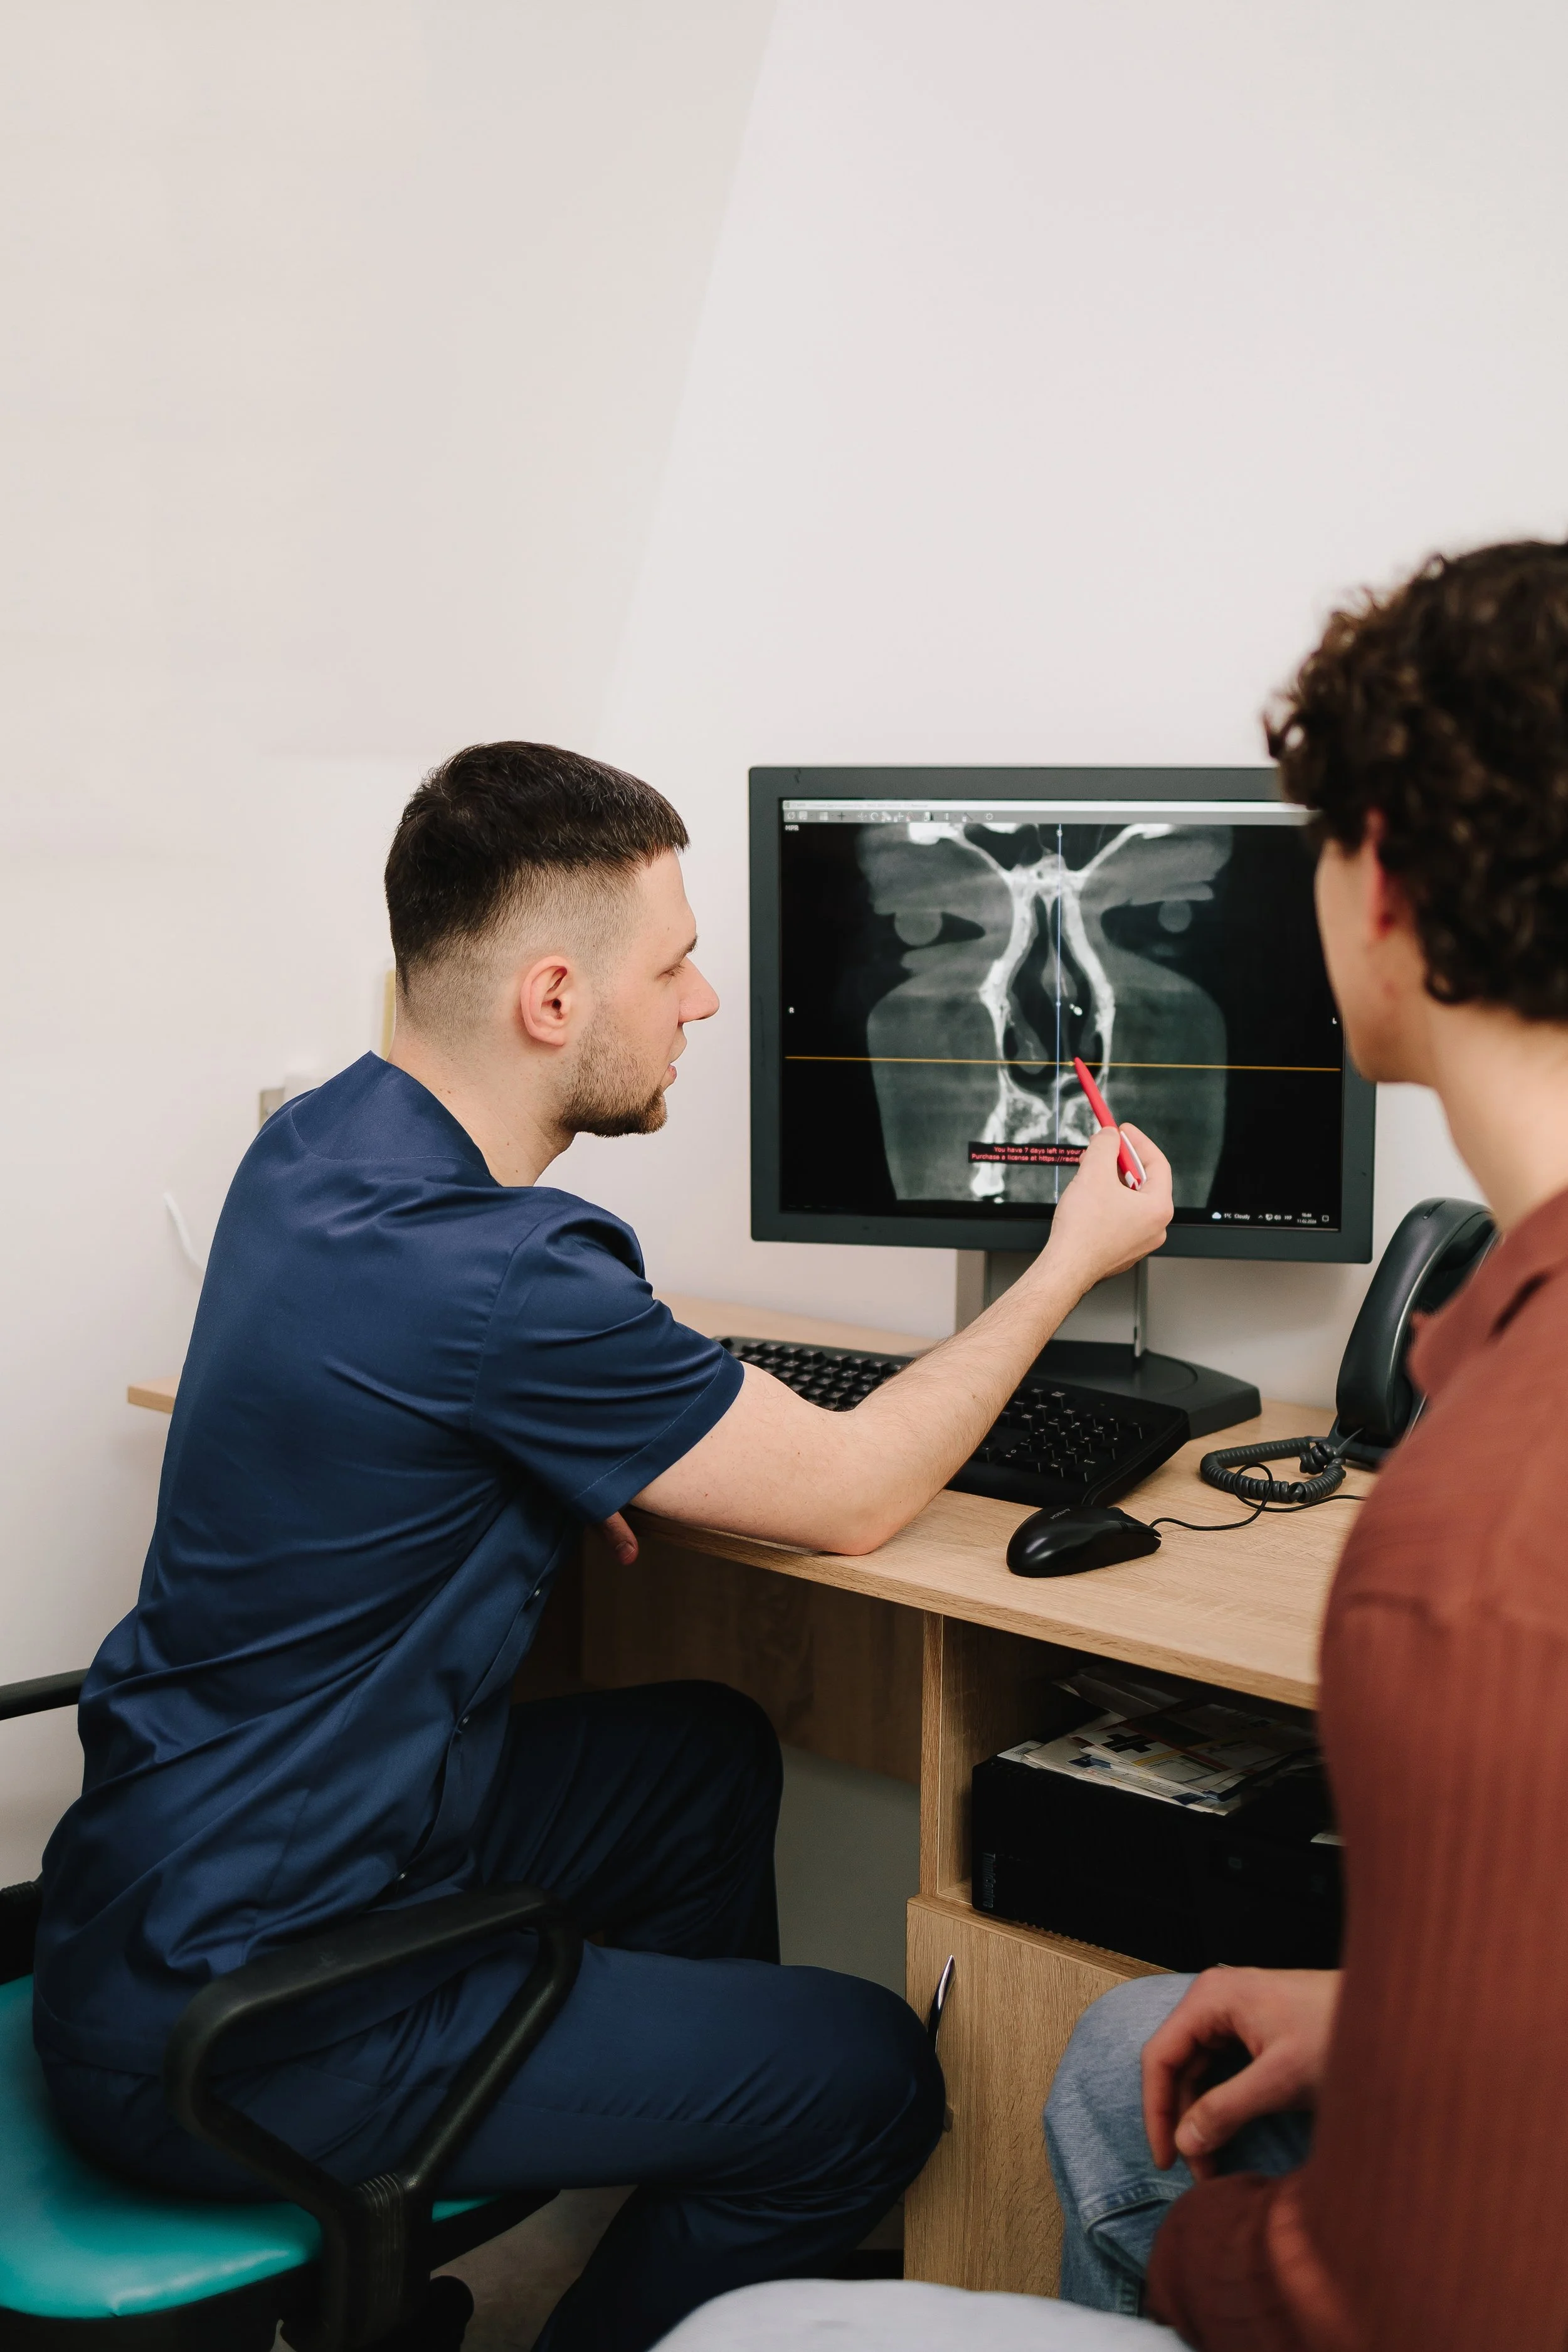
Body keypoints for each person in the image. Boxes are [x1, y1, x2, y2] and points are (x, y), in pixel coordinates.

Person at [32, 741, 1170, 2352]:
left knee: (699, 1756)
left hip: (139, 1913)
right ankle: (682, 2261)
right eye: (676, 963)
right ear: (553, 999)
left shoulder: (321, 1150)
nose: (703, 1001)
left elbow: (415, 1405)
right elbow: (853, 1492)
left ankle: (683, 2181)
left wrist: (558, 1464)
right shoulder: (507, 1284)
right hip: (258, 2023)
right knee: (865, 2080)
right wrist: (1067, 1261)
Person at [1041, 536, 1568, 2349]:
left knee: (1111, 2126)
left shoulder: (1480, 1534)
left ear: (1386, 883)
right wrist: (1392, 2009)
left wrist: (1197, 2256)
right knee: (1135, 2037)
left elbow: (1420, 2297)